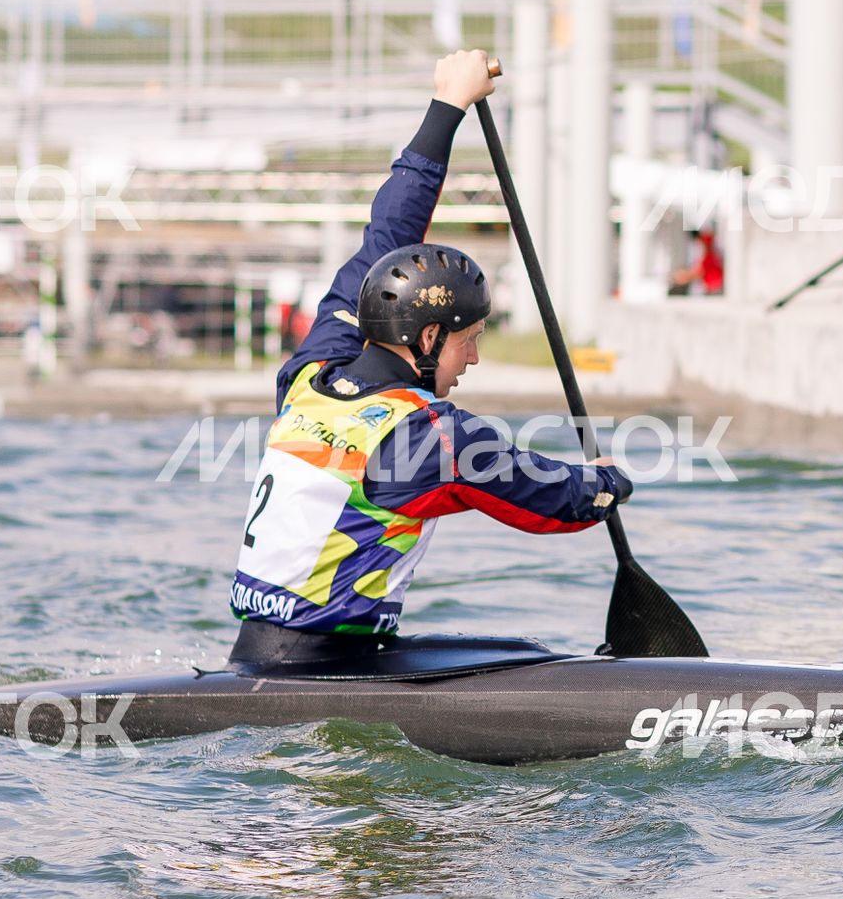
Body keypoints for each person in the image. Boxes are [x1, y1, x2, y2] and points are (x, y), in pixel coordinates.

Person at [228, 49, 631, 667]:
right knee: (531, 656)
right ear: (426, 340)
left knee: (520, 651)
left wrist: (449, 105)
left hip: (262, 655)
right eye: (468, 339)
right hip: (319, 682)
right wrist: (605, 483)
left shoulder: (310, 374)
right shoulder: (428, 437)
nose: (472, 359)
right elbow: (549, 503)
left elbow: (388, 233)